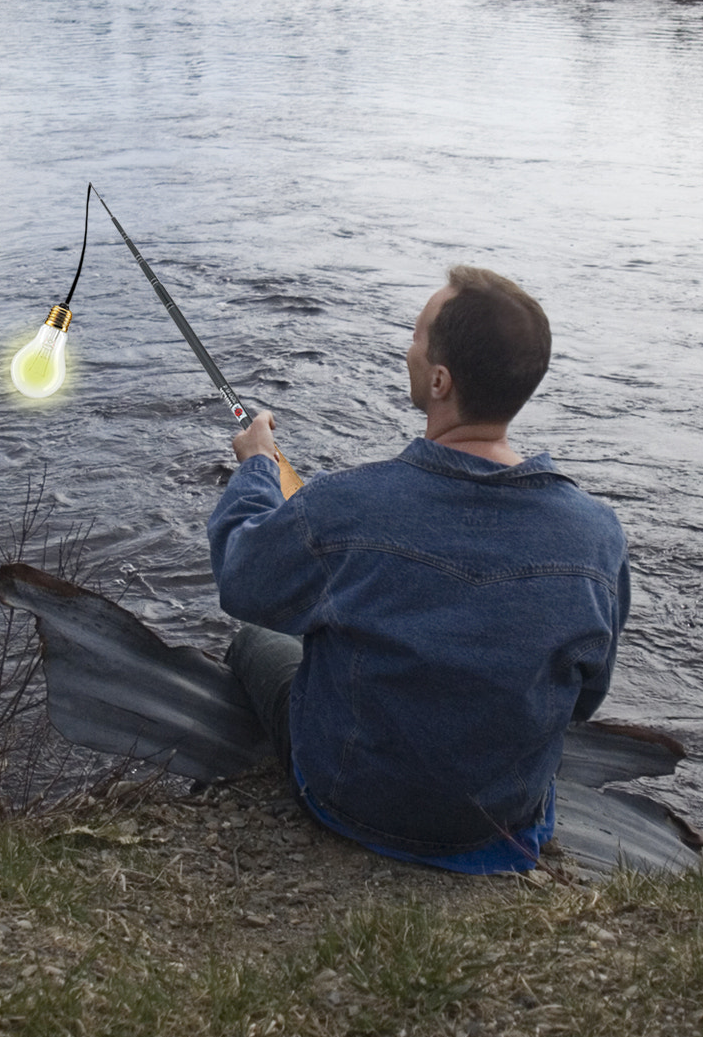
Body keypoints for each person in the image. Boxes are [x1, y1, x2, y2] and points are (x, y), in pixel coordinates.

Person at [206, 264, 629, 873]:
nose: (407, 350)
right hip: (503, 822)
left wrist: (256, 467)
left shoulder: (346, 504)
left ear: (439, 379)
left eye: (417, 338)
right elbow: (585, 697)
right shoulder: (597, 533)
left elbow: (241, 577)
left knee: (260, 638)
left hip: (351, 804)